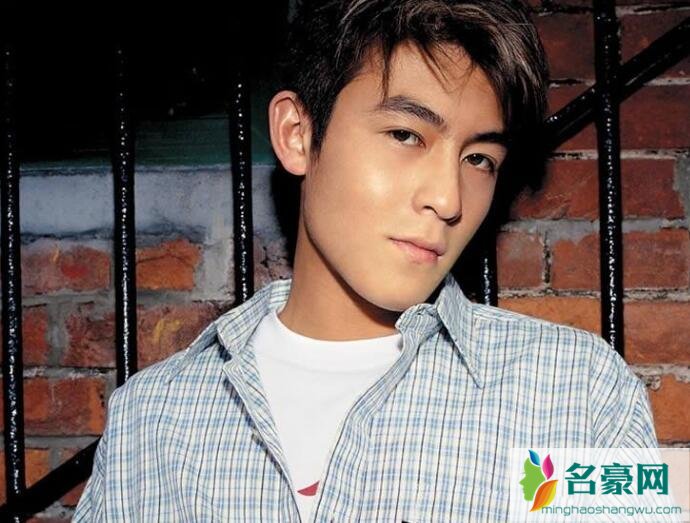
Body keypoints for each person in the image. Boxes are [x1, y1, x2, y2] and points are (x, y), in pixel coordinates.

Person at [74, 0, 660, 521]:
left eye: (479, 159)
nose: (449, 199)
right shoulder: (151, 418)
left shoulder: (579, 390)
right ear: (297, 134)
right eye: (406, 135)